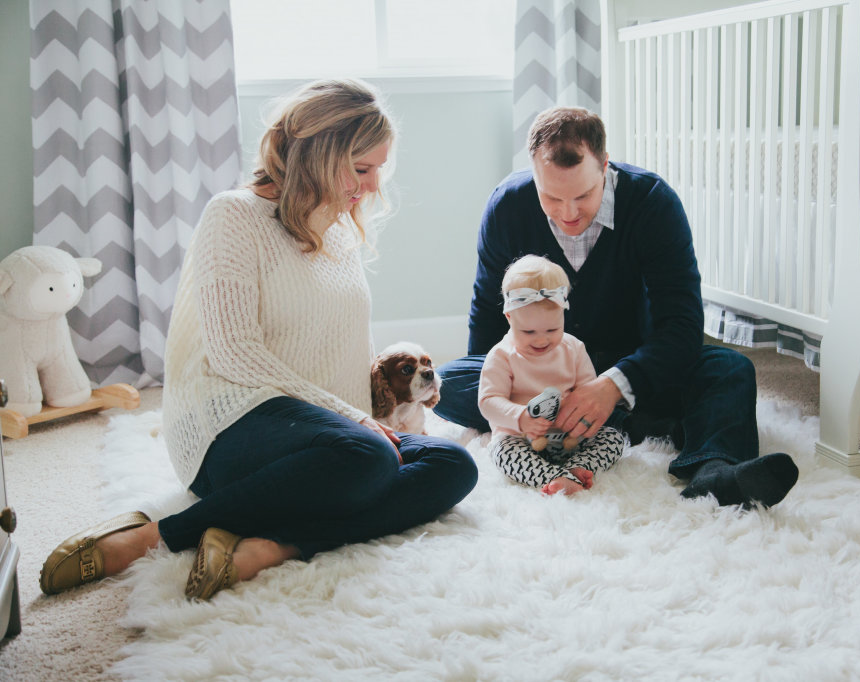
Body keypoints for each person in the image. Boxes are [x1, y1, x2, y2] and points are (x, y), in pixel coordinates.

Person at [39, 79, 478, 601]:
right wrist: (356, 421)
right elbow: (236, 353)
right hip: (235, 423)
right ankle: (154, 536)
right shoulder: (233, 215)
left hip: (324, 434)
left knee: (453, 465)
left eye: (380, 168)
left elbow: (341, 340)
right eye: (362, 168)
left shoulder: (337, 226)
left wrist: (376, 415)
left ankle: (275, 546)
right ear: (318, 155)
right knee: (369, 459)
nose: (373, 185)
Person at [435, 106, 798, 508]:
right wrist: (504, 393)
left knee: (729, 370)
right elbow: (487, 310)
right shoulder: (508, 206)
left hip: (632, 368)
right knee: (448, 381)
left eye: (583, 195)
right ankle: (629, 424)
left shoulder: (653, 203)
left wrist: (611, 387)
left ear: (605, 167)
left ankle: (714, 470)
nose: (568, 213)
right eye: (552, 196)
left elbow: (681, 324)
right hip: (536, 378)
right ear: (533, 173)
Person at [479, 254, 626, 496]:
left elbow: (589, 393)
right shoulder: (502, 355)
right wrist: (520, 417)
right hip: (521, 438)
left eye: (552, 329)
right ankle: (553, 477)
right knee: (503, 451)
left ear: (563, 315)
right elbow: (488, 402)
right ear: (509, 318)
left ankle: (578, 467)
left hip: (570, 438)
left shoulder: (574, 349)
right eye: (528, 331)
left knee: (613, 438)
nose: (541, 339)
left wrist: (580, 421)